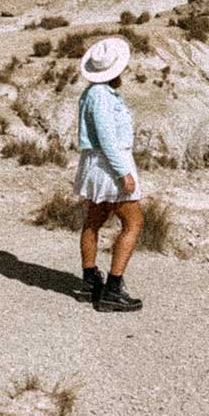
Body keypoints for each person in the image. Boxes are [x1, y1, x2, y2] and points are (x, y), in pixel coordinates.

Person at [74, 36, 144, 313]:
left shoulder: (92, 93)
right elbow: (107, 139)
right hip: (109, 166)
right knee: (133, 223)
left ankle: (89, 282)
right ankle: (113, 290)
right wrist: (123, 172)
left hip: (96, 165)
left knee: (94, 220)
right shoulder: (102, 96)